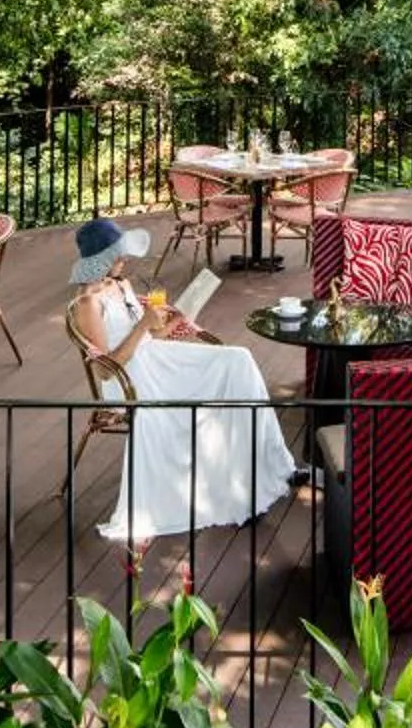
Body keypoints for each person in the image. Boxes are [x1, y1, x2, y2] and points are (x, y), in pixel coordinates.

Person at [67, 215, 295, 541]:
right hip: (128, 379)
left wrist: (177, 319)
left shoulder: (121, 284)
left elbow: (151, 339)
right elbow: (105, 368)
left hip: (155, 359)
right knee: (220, 383)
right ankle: (235, 491)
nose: (124, 259)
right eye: (117, 254)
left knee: (237, 361)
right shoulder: (87, 302)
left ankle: (270, 464)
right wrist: (144, 325)